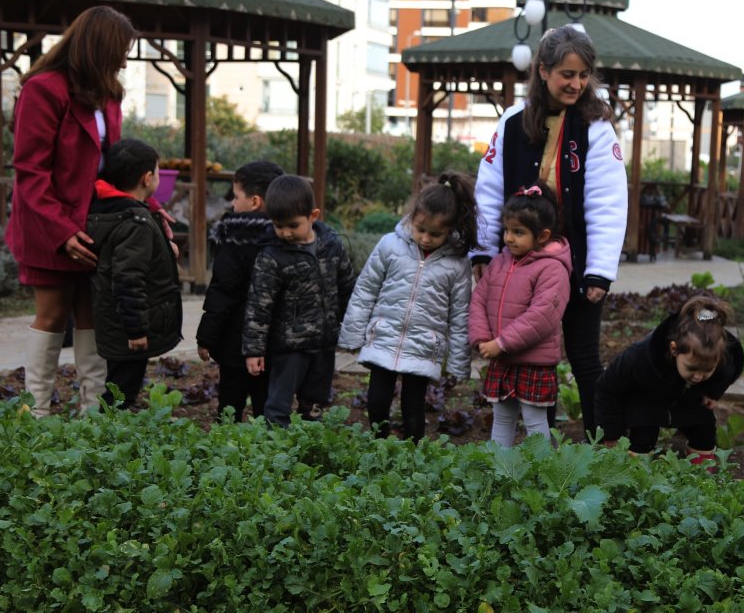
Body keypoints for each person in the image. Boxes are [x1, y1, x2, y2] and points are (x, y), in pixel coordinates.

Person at [472, 25, 628, 440]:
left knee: (583, 358)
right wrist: (485, 252)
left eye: (583, 75)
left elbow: (608, 203)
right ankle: (544, 444)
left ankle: (600, 445)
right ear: (543, 71)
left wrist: (598, 272)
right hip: (517, 262)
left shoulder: (596, 128)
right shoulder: (510, 122)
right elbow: (488, 190)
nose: (576, 84)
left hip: (573, 264)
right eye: (566, 75)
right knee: (532, 357)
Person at [5, 6, 137, 417]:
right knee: (52, 313)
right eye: (121, 49)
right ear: (99, 46)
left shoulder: (109, 95)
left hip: (95, 226)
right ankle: (37, 412)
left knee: (91, 314)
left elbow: (112, 165)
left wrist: (142, 209)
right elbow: (30, 171)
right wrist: (63, 232)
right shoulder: (43, 90)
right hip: (49, 227)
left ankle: (92, 411)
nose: (124, 59)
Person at [338, 172, 478, 441]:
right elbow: (365, 289)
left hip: (424, 345)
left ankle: (412, 458)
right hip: (384, 336)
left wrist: (459, 362)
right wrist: (353, 334)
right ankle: (380, 448)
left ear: (450, 229)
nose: (425, 238)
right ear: (412, 217)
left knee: (413, 407)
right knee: (377, 400)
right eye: (420, 229)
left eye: (435, 234)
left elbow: (460, 315)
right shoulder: (389, 245)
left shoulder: (458, 264)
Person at [242, 176, 356, 427]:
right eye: (278, 225)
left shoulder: (332, 246)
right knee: (279, 405)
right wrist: (254, 350)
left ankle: (308, 446)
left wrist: (354, 329)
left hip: (324, 342)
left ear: (313, 216)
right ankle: (275, 451)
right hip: (289, 347)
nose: (284, 233)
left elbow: (348, 289)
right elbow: (259, 306)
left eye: (293, 225)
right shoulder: (272, 256)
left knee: (315, 402)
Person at [469, 185, 572, 446]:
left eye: (518, 232)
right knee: (502, 417)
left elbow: (541, 317)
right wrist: (481, 337)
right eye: (506, 230)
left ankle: (543, 474)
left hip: (533, 362)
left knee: (535, 421)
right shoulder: (501, 261)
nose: (509, 238)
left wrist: (501, 343)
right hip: (502, 358)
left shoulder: (552, 269)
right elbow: (480, 298)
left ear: (542, 235)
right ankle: (499, 469)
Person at [85, 139, 183, 409]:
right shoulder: (134, 222)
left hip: (117, 323)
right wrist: (137, 330)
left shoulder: (108, 211)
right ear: (147, 179)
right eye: (159, 173)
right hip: (128, 328)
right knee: (121, 394)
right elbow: (129, 277)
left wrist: (163, 247)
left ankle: (111, 429)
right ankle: (109, 437)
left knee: (121, 386)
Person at [596, 296, 744, 468]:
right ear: (674, 349)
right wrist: (611, 433)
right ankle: (637, 475)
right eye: (691, 368)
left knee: (705, 432)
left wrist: (713, 393)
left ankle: (700, 476)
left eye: (706, 371)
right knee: (643, 438)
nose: (697, 376)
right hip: (647, 398)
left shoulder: (723, 357)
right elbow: (607, 388)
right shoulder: (640, 358)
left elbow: (726, 373)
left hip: (689, 401)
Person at [196, 161, 286, 422]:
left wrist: (207, 336)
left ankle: (227, 450)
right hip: (274, 343)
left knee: (230, 404)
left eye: (235, 197)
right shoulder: (288, 238)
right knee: (266, 404)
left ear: (255, 201)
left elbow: (223, 291)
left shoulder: (235, 237)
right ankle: (267, 451)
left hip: (235, 343)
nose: (232, 205)